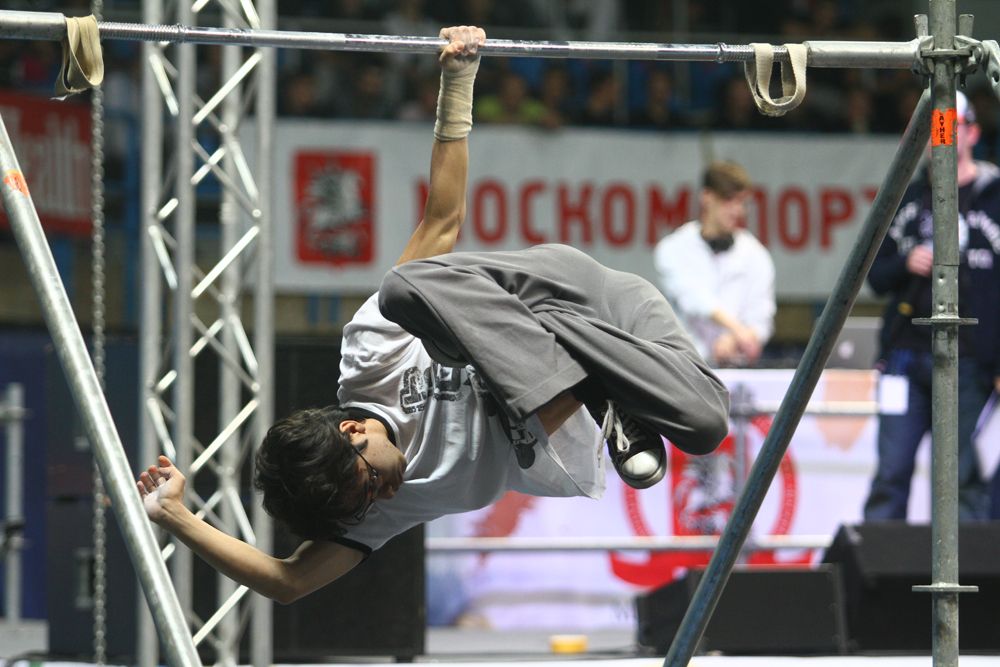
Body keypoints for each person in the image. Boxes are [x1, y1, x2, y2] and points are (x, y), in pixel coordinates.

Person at [136, 26, 729, 604]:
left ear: (353, 431)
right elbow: (286, 583)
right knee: (705, 426)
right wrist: (174, 516)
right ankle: (602, 392)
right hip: (628, 337)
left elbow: (441, 221)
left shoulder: (370, 356)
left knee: (403, 289)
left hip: (564, 296)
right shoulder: (377, 509)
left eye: (368, 483)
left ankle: (589, 385)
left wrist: (458, 80)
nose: (380, 498)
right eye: (365, 505)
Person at [863, 90, 1000, 521]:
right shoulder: (907, 196)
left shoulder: (995, 197)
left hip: (970, 357)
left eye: (948, 128)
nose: (939, 139)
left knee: (959, 473)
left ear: (972, 132)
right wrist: (906, 261)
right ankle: (880, 582)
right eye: (933, 130)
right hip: (905, 354)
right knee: (892, 471)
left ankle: (967, 581)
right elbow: (874, 276)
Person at [653, 161, 776, 367]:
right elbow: (693, 299)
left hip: (739, 370)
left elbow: (762, 317)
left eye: (742, 202)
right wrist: (737, 330)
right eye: (729, 200)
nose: (736, 210)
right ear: (707, 197)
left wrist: (736, 339)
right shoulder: (672, 249)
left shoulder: (757, 254)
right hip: (684, 367)